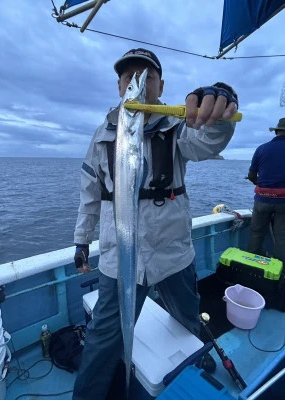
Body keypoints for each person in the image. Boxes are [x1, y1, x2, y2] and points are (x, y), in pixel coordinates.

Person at [73, 48, 238, 400]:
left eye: (146, 76)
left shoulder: (178, 125)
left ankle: (194, 360)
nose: (137, 83)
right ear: (119, 86)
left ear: (161, 85)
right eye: (128, 77)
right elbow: (89, 192)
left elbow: (209, 142)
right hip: (119, 256)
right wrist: (81, 241)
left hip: (172, 252)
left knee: (186, 316)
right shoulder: (103, 134)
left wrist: (219, 105)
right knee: (104, 335)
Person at [247, 118, 285, 263]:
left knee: (256, 233)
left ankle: (250, 265)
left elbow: (251, 176)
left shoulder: (261, 149)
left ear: (276, 131)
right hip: (283, 203)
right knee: (282, 237)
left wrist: (260, 184)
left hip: (262, 200)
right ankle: (280, 273)